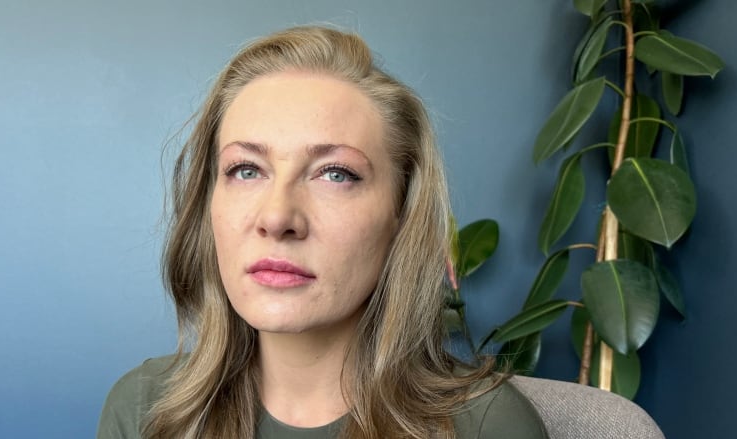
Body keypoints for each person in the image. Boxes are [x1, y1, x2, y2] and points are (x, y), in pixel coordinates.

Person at [97, 25, 548, 439]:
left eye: (335, 174)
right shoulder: (145, 410)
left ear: (401, 213)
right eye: (246, 169)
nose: (276, 218)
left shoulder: (488, 427)